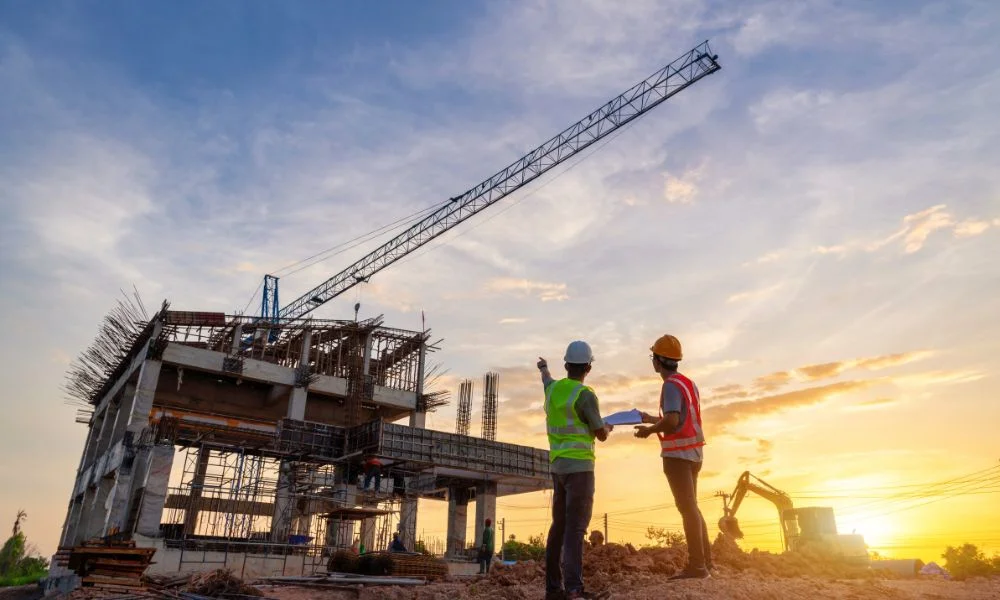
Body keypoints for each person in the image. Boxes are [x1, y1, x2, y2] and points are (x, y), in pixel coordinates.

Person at [633, 334, 713, 580]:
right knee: (693, 508)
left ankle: (698, 567)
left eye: (653, 357)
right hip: (694, 453)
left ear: (658, 360)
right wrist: (650, 418)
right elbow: (680, 419)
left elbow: (672, 421)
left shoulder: (669, 385)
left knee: (687, 508)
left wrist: (649, 430)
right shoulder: (688, 383)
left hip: (677, 456)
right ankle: (706, 563)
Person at [538, 340, 613, 600]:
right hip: (580, 468)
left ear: (566, 365)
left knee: (559, 526)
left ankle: (553, 589)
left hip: (558, 468)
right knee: (575, 529)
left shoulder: (554, 390)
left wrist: (544, 368)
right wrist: (607, 427)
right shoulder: (585, 395)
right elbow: (599, 433)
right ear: (588, 368)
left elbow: (546, 381)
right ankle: (574, 589)